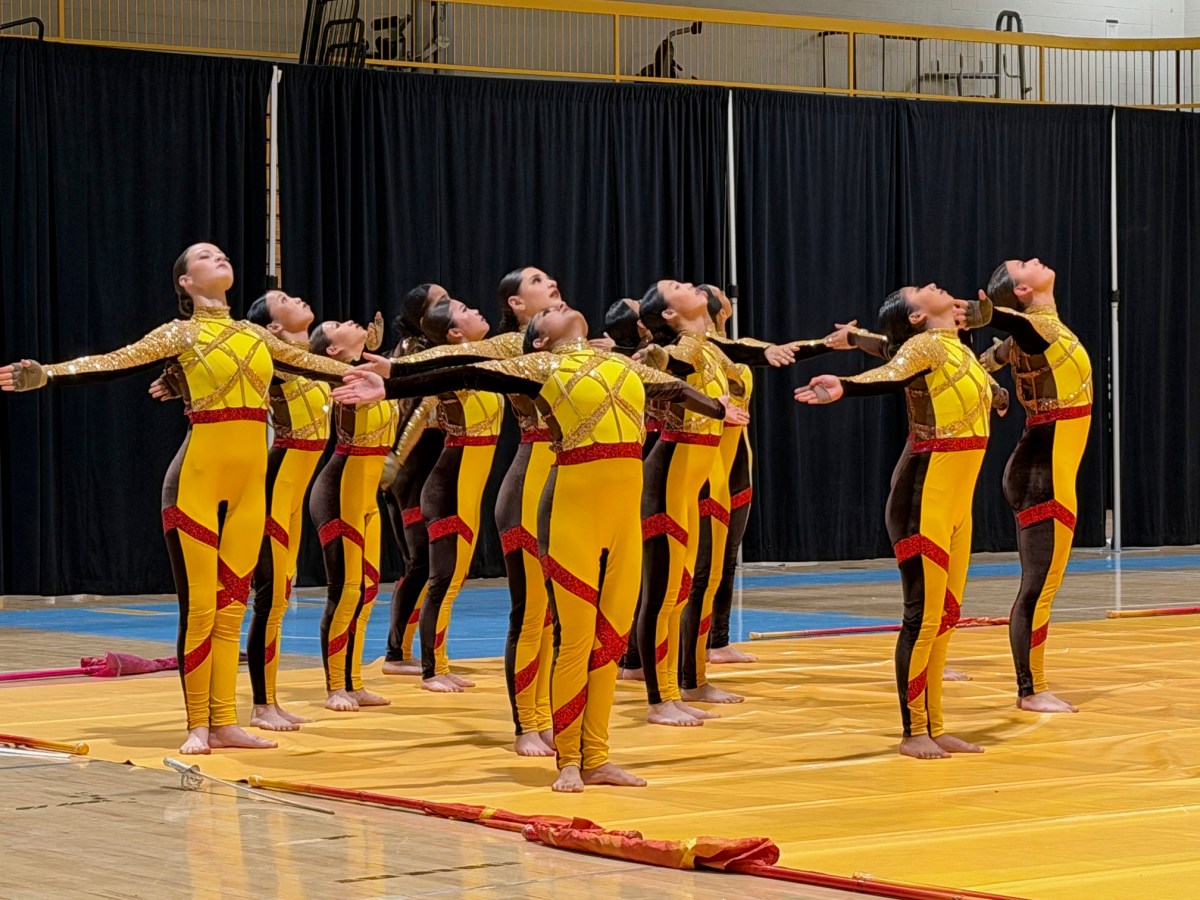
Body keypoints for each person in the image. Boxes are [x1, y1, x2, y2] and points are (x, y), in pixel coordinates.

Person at [332, 302, 747, 791]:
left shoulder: (619, 364)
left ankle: (597, 756)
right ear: (541, 340)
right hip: (571, 511)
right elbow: (471, 370)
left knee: (610, 640)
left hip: (623, 519)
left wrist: (718, 408)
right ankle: (568, 759)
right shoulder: (543, 366)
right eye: (545, 311)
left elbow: (675, 387)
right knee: (572, 638)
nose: (559, 304)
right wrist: (394, 378)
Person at [0, 243, 349, 754]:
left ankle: (227, 720)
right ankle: (198, 725)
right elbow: (113, 362)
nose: (219, 257)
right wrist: (51, 372)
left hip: (251, 486)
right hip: (194, 484)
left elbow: (321, 368)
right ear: (185, 282)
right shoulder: (178, 334)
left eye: (222, 254)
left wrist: (394, 378)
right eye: (205, 257)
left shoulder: (257, 336)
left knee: (232, 609)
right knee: (202, 607)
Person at [795, 283, 1006, 760]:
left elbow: (896, 352)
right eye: (921, 290)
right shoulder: (925, 345)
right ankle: (914, 731)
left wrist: (996, 395)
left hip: (954, 503)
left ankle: (934, 722)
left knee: (946, 618)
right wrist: (845, 385)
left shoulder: (954, 347)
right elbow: (890, 373)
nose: (933, 286)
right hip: (921, 497)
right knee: (924, 617)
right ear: (915, 317)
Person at [634, 279, 803, 726]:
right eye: (676, 286)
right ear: (670, 314)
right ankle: (659, 698)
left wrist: (811, 346)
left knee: (689, 587)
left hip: (693, 481)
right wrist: (650, 356)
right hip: (669, 475)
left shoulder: (709, 347)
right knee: (665, 593)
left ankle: (690, 681)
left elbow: (747, 350)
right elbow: (662, 361)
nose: (687, 283)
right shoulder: (685, 350)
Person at [980, 258, 1091, 714]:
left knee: (1044, 584)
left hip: (1046, 467)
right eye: (1024, 265)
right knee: (1038, 587)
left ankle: (1033, 684)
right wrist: (980, 311)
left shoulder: (1030, 334)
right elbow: (1005, 332)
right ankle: (1031, 689)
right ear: (1022, 290)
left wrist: (992, 385)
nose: (1035, 260)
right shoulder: (1034, 328)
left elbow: (987, 358)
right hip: (1042, 472)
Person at [243, 290, 331, 730]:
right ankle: (260, 705)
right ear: (273, 327)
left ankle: (270, 700)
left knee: (280, 598)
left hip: (295, 494)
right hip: (277, 485)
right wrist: (175, 377)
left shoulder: (311, 359)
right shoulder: (274, 362)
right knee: (269, 598)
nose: (297, 297)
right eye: (283, 298)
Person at [308, 317, 399, 711]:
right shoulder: (335, 377)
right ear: (331, 349)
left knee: (368, 590)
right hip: (338, 491)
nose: (350, 319)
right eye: (338, 324)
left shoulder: (372, 373)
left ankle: (354, 681)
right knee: (345, 591)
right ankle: (334, 687)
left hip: (366, 497)